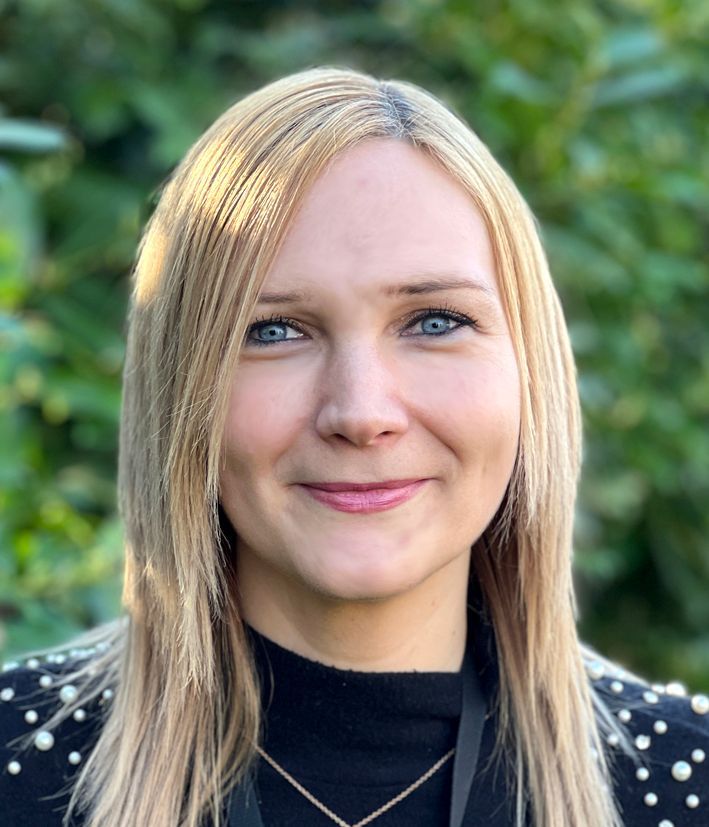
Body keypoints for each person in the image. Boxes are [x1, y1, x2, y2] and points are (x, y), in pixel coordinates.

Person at [1, 65, 707, 827]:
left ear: (529, 367)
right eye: (273, 331)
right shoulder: (18, 772)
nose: (361, 412)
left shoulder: (682, 788)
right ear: (180, 390)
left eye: (434, 321)